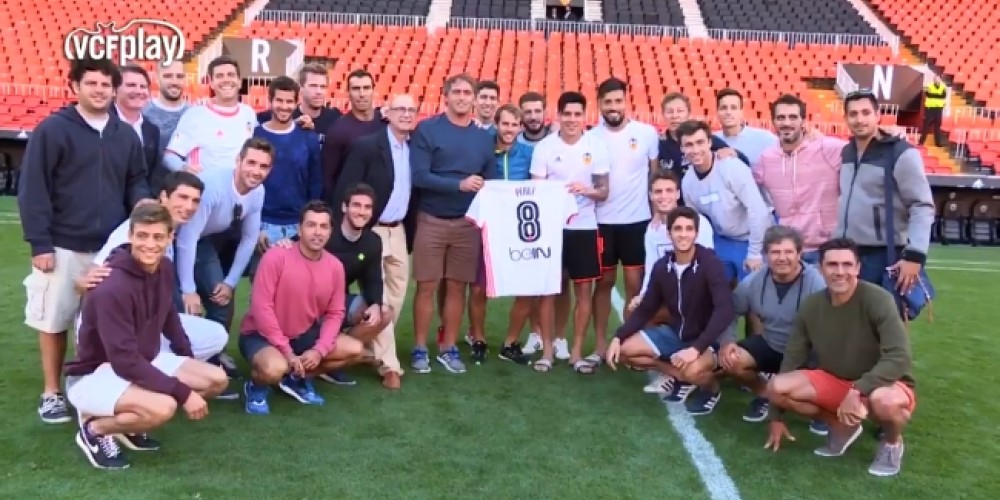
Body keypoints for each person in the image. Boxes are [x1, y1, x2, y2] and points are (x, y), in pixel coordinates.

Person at [18, 57, 151, 424]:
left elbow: (136, 178)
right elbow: (34, 188)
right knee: (54, 320)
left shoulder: (124, 134)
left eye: (106, 85)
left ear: (114, 89)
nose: (99, 90)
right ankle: (51, 392)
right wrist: (40, 243)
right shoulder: (54, 130)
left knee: (101, 324)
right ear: (74, 86)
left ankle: (94, 387)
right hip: (62, 245)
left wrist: (141, 200)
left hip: (110, 249)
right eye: (91, 83)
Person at [65, 204, 228, 470]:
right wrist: (181, 391)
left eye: (157, 237)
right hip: (97, 373)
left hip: (140, 360)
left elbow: (169, 317)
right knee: (164, 407)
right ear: (130, 236)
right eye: (142, 236)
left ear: (169, 238)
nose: (150, 244)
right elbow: (124, 361)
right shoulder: (112, 286)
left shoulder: (163, 266)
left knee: (216, 380)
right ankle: (95, 428)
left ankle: (130, 419)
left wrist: (185, 358)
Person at [763, 238, 915, 478]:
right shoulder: (811, 305)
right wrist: (775, 416)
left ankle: (892, 443)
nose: (840, 272)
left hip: (883, 384)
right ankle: (841, 426)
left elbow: (899, 356)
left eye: (847, 265)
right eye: (832, 265)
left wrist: (858, 390)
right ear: (821, 268)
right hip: (837, 382)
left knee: (884, 402)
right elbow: (792, 358)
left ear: (857, 268)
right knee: (776, 387)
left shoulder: (878, 299)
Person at [607, 206, 735, 415]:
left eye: (688, 229)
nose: (683, 234)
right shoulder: (662, 266)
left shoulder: (710, 263)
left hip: (706, 339)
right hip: (676, 333)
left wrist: (696, 348)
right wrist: (618, 337)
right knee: (624, 351)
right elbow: (646, 308)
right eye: (678, 229)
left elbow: (725, 309)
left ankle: (711, 389)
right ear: (669, 233)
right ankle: (679, 375)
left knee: (694, 370)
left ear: (696, 233)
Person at [239, 201, 365, 414]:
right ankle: (256, 387)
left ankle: (296, 379)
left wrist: (319, 350)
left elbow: (335, 313)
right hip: (261, 335)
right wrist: (287, 353)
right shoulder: (276, 256)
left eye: (323, 226)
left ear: (331, 231)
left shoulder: (335, 266)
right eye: (311, 225)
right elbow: (262, 309)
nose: (317, 232)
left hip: (303, 334)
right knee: (273, 369)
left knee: (355, 350)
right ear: (299, 229)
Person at [409, 74, 496, 374]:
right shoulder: (428, 130)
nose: (461, 97)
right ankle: (420, 347)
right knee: (427, 287)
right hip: (432, 219)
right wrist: (458, 185)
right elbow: (419, 176)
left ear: (474, 98)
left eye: (467, 92)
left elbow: (491, 181)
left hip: (467, 225)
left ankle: (448, 347)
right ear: (445, 96)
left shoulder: (484, 138)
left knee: (457, 287)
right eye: (456, 92)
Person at [333, 94, 417, 386]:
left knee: (396, 297)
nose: (406, 114)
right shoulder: (367, 146)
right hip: (373, 230)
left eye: (411, 110)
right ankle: (389, 366)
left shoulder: (413, 147)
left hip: (399, 229)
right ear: (387, 113)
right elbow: (347, 189)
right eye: (400, 109)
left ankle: (364, 347)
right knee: (378, 297)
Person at [529, 91, 610, 374]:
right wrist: (556, 193)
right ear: (559, 115)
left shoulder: (596, 146)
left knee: (583, 290)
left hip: (585, 227)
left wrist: (586, 190)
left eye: (578, 114)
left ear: (584, 116)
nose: (573, 120)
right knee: (549, 290)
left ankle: (576, 351)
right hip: (551, 229)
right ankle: (548, 351)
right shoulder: (545, 147)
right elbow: (536, 189)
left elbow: (604, 191)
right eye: (568, 114)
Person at [717, 226, 827, 433]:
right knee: (731, 361)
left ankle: (821, 409)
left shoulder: (816, 283)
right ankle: (766, 396)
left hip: (808, 354)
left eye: (788, 252)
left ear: (799, 253)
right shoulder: (754, 281)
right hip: (772, 344)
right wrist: (728, 341)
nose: (782, 258)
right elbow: (730, 311)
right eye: (775, 252)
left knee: (812, 381)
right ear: (766, 255)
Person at [589, 77, 660, 363]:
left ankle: (630, 342)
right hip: (602, 222)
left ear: (626, 101)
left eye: (618, 100)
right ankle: (600, 345)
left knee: (635, 284)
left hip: (637, 221)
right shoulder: (592, 137)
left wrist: (657, 212)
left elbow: (655, 176)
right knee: (603, 283)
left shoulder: (647, 133)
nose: (614, 106)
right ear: (600, 105)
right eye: (608, 102)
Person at [175, 138, 272, 328]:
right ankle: (178, 354)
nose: (256, 171)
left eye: (263, 166)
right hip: (173, 240)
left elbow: (250, 238)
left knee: (221, 301)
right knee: (180, 305)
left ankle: (214, 355)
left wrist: (230, 282)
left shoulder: (258, 191)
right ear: (238, 160)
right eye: (251, 163)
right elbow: (186, 239)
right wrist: (188, 289)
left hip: (203, 241)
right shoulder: (213, 187)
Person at [631, 170, 713, 390]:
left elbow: (706, 269)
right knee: (633, 312)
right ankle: (672, 370)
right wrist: (642, 296)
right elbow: (651, 270)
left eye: (669, 190)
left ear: (678, 193)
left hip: (696, 302)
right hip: (670, 299)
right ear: (650, 195)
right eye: (658, 191)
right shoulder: (653, 228)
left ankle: (696, 358)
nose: (663, 196)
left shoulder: (698, 223)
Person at [323, 185, 399, 388]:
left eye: (367, 207)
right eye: (356, 205)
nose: (361, 211)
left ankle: (335, 359)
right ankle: (324, 356)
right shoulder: (326, 233)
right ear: (344, 207)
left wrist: (375, 303)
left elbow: (373, 277)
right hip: (311, 303)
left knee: (384, 313)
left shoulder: (372, 241)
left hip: (339, 301)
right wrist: (284, 243)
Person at [753, 94, 845, 263]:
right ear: (773, 122)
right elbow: (745, 188)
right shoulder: (766, 159)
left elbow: (865, 151)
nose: (787, 123)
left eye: (793, 117)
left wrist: (887, 135)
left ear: (803, 120)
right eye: (781, 117)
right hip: (789, 252)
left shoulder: (827, 148)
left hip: (826, 249)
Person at [679, 120, 772, 285]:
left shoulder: (731, 168)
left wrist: (755, 252)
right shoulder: (688, 183)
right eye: (689, 145)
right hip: (723, 240)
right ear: (682, 148)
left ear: (709, 143)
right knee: (713, 291)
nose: (695, 150)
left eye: (700, 142)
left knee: (752, 297)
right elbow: (698, 223)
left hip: (752, 238)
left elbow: (757, 210)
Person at [252, 76, 322, 261]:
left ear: (296, 102)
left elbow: (315, 183)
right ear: (270, 101)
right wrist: (255, 226)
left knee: (297, 286)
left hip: (297, 225)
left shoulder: (308, 137)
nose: (284, 106)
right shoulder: (256, 135)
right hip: (263, 224)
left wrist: (308, 223)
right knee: (262, 285)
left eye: (289, 101)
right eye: (279, 100)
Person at [164, 55, 258, 174]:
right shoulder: (196, 114)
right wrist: (184, 168)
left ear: (239, 82)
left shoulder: (249, 113)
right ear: (212, 83)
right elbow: (170, 156)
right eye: (219, 76)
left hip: (237, 190)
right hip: (204, 189)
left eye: (231, 75)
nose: (226, 80)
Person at [321, 69, 385, 197]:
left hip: (383, 204)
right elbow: (328, 178)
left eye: (366, 88)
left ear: (373, 91)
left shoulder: (386, 123)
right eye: (356, 89)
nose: (362, 94)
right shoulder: (338, 130)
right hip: (352, 206)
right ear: (348, 93)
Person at [256, 62, 342, 145]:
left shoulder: (336, 118)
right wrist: (292, 126)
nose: (319, 91)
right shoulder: (282, 114)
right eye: (313, 86)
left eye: (323, 87)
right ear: (301, 88)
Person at [113, 64, 167, 193]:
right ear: (115, 90)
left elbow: (153, 173)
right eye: (131, 85)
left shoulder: (152, 130)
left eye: (143, 87)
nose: (138, 91)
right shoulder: (102, 123)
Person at [714, 88, 779, 166]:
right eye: (723, 108)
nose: (728, 112)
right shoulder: (711, 141)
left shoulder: (765, 139)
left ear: (741, 112)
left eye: (734, 108)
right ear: (717, 112)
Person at [143, 60, 190, 148]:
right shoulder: (143, 113)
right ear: (157, 79)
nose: (174, 82)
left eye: (179, 76)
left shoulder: (195, 114)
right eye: (168, 76)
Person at [919, 74, 947, 147]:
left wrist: (934, 95)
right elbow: (928, 95)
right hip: (930, 108)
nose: (936, 80)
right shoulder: (929, 86)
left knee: (937, 126)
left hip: (938, 109)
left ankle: (938, 143)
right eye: (935, 79)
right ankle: (921, 142)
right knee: (926, 125)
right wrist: (938, 95)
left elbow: (943, 96)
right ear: (933, 80)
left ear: (940, 79)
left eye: (937, 79)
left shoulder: (943, 87)